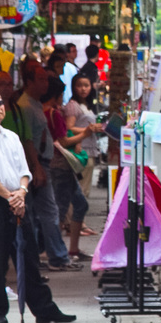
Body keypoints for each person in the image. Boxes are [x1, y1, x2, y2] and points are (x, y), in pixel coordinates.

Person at [0, 90, 75, 323]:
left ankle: (44, 309)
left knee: (29, 258)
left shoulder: (12, 137)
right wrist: (10, 197)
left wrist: (21, 193)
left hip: (19, 200)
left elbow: (24, 171)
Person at [3, 61, 72, 269]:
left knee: (39, 212)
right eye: (41, 79)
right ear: (29, 81)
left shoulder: (33, 103)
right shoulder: (25, 106)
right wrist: (36, 167)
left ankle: (45, 256)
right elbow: (27, 141)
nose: (46, 84)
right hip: (36, 165)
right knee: (44, 212)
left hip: (40, 163)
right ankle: (54, 257)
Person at [54, 72, 102, 260]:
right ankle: (57, 251)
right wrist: (88, 132)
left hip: (78, 155)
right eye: (79, 85)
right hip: (68, 160)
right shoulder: (71, 107)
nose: (83, 89)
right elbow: (66, 134)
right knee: (65, 205)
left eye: (87, 85)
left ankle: (70, 248)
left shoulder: (81, 106)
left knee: (78, 202)